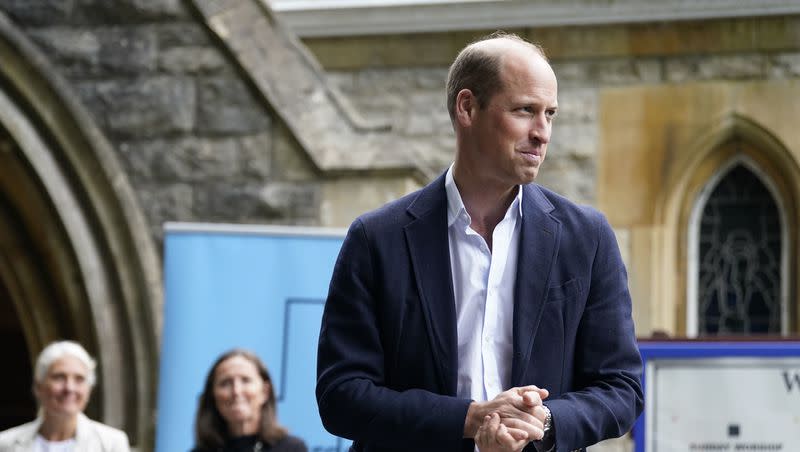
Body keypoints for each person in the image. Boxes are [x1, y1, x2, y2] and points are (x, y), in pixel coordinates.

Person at [316, 31, 643, 452]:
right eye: (525, 111)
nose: (542, 133)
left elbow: (622, 388)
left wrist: (542, 421)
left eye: (550, 114)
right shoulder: (377, 239)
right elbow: (341, 395)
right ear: (467, 107)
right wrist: (470, 419)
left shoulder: (588, 237)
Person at [0, 340, 130, 451]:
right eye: (59, 377)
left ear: (89, 390)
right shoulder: (6, 444)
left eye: (79, 379)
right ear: (38, 386)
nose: (69, 388)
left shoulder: (111, 444)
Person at [192, 349, 307, 452]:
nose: (236, 391)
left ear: (264, 391)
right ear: (212, 395)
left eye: (246, 380)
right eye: (225, 383)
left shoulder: (292, 448)